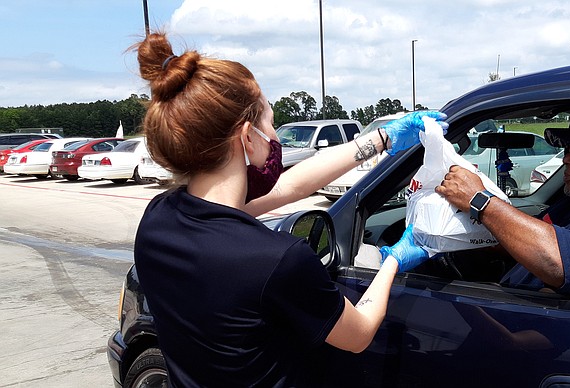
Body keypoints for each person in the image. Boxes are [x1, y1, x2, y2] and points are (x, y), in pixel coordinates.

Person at [131, 31, 447, 386]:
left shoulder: (157, 219)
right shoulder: (277, 260)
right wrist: (393, 260)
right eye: (270, 121)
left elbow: (291, 186)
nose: (276, 135)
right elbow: (357, 335)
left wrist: (382, 139)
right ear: (248, 137)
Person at [435, 110, 570, 294]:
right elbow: (527, 238)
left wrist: (480, 200)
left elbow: (558, 263)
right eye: (568, 150)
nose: (566, 159)